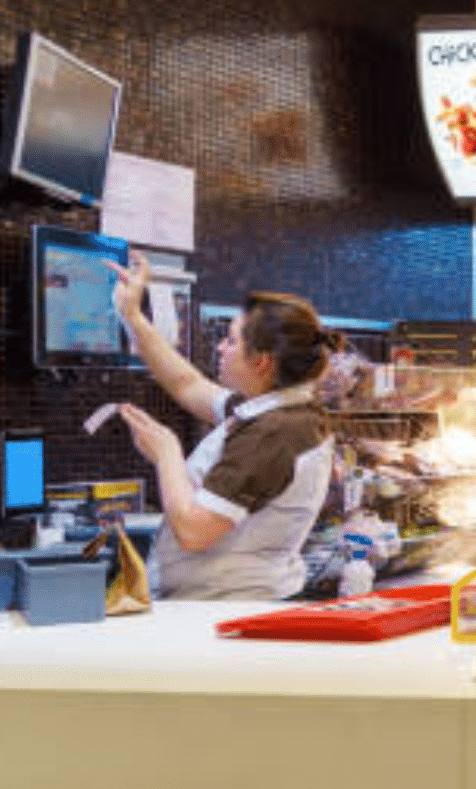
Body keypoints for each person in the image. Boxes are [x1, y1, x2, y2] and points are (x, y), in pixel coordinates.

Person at [111, 257, 340, 600]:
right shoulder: (277, 410)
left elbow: (193, 532)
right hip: (222, 604)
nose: (220, 348)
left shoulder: (274, 433)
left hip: (228, 609)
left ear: (261, 362)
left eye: (230, 341)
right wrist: (133, 316)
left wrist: (167, 453)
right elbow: (187, 384)